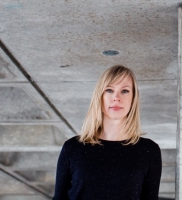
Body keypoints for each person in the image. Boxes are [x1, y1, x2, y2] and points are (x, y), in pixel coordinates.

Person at [53, 65, 162, 200]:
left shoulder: (149, 151)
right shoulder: (73, 147)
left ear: (133, 98)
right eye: (109, 90)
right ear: (100, 96)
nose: (116, 97)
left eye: (125, 91)